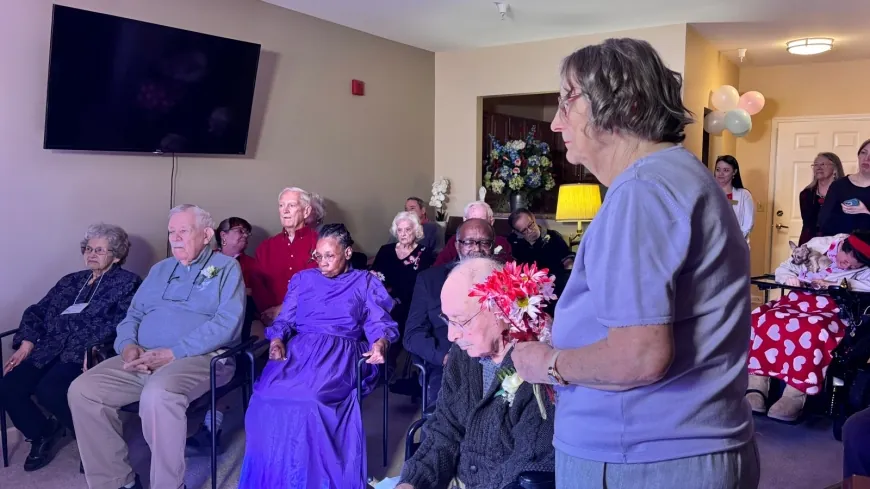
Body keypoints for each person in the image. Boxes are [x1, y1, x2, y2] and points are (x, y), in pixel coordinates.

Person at [512, 38, 759, 488]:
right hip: (678, 448)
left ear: (619, 103)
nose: (555, 122)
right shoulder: (678, 175)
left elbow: (639, 355)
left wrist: (548, 363)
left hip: (644, 457)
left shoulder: (642, 191)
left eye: (568, 101)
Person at [68, 204, 245, 489]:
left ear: (206, 234)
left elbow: (228, 323)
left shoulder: (226, 268)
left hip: (201, 357)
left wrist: (175, 352)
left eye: (183, 231)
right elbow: (133, 315)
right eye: (171, 232)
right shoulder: (160, 269)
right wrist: (127, 346)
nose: (175, 238)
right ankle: (117, 482)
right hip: (143, 355)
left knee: (159, 394)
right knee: (83, 391)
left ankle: (169, 484)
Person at [239, 224, 399, 489]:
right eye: (318, 256)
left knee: (311, 402)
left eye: (329, 256)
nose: (322, 263)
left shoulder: (365, 281)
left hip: (341, 353)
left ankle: (310, 478)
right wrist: (277, 339)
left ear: (348, 252)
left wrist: (380, 343)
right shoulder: (304, 280)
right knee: (264, 399)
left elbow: (379, 323)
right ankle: (278, 477)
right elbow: (285, 319)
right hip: (300, 351)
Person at [380, 258, 554, 489]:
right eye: (447, 320)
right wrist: (414, 481)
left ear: (500, 310)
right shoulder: (463, 354)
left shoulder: (537, 367)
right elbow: (444, 428)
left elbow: (525, 467)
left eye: (460, 322)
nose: (451, 335)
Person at [0, 224, 140, 472]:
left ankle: (95, 444)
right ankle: (42, 433)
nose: (91, 254)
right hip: (48, 348)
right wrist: (27, 342)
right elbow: (37, 311)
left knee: (50, 390)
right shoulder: (70, 281)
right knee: (8, 385)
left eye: (99, 250)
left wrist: (94, 348)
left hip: (85, 352)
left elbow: (123, 322)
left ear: (116, 255)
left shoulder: (127, 283)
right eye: (88, 249)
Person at [747, 232, 870, 422]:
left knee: (811, 328)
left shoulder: (866, 266)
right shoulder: (818, 245)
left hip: (832, 308)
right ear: (842, 248)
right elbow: (784, 268)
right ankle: (757, 386)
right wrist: (789, 278)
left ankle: (794, 395)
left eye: (854, 267)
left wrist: (835, 283)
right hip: (798, 300)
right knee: (763, 319)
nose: (846, 267)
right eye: (845, 261)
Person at [186, 216, 265, 455]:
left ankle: (211, 428)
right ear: (223, 235)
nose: (245, 236)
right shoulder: (204, 260)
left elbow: (258, 297)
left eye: (247, 233)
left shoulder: (252, 264)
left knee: (227, 361)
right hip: (197, 322)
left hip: (238, 324)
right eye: (239, 231)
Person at [400, 219, 497, 405]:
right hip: (447, 364)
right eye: (468, 242)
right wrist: (443, 357)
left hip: (496, 361)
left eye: (484, 242)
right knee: (444, 423)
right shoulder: (430, 280)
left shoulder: (506, 278)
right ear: (457, 245)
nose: (476, 249)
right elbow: (412, 334)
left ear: (492, 246)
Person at [372, 211, 434, 374]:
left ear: (416, 231)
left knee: (398, 317)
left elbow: (424, 284)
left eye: (408, 230)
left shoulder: (425, 253)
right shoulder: (385, 251)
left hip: (411, 303)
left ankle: (388, 362)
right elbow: (374, 277)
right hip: (384, 301)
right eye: (400, 230)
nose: (403, 234)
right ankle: (374, 360)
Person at [255, 187, 319, 326]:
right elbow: (258, 286)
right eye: (281, 205)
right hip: (272, 321)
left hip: (312, 320)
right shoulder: (265, 247)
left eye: (291, 205)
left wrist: (285, 309)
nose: (285, 211)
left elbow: (325, 285)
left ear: (306, 211)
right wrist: (269, 312)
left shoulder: (321, 243)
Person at [507, 208, 574, 298]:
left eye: (530, 225)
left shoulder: (553, 237)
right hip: (528, 292)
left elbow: (567, 258)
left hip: (554, 287)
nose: (530, 231)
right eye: (524, 230)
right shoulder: (516, 244)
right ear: (518, 233)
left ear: (533, 218)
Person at [433, 201, 512, 266]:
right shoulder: (456, 240)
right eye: (471, 220)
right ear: (464, 221)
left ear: (491, 222)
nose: (476, 226)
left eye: (482, 221)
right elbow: (438, 268)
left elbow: (511, 272)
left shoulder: (502, 242)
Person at [820, 139, 870, 236]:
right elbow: (824, 222)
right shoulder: (839, 186)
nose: (867, 158)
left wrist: (865, 212)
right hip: (843, 247)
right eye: (864, 153)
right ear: (858, 156)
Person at [799, 153, 844, 244]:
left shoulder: (844, 192)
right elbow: (807, 224)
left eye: (823, 164)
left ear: (835, 169)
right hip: (810, 244)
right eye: (816, 164)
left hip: (836, 244)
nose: (818, 167)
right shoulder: (806, 194)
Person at [715, 155, 755, 245]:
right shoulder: (709, 192)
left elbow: (748, 224)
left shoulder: (744, 195)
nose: (720, 174)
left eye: (726, 170)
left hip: (736, 244)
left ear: (734, 172)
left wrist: (733, 240)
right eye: (718, 170)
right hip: (712, 246)